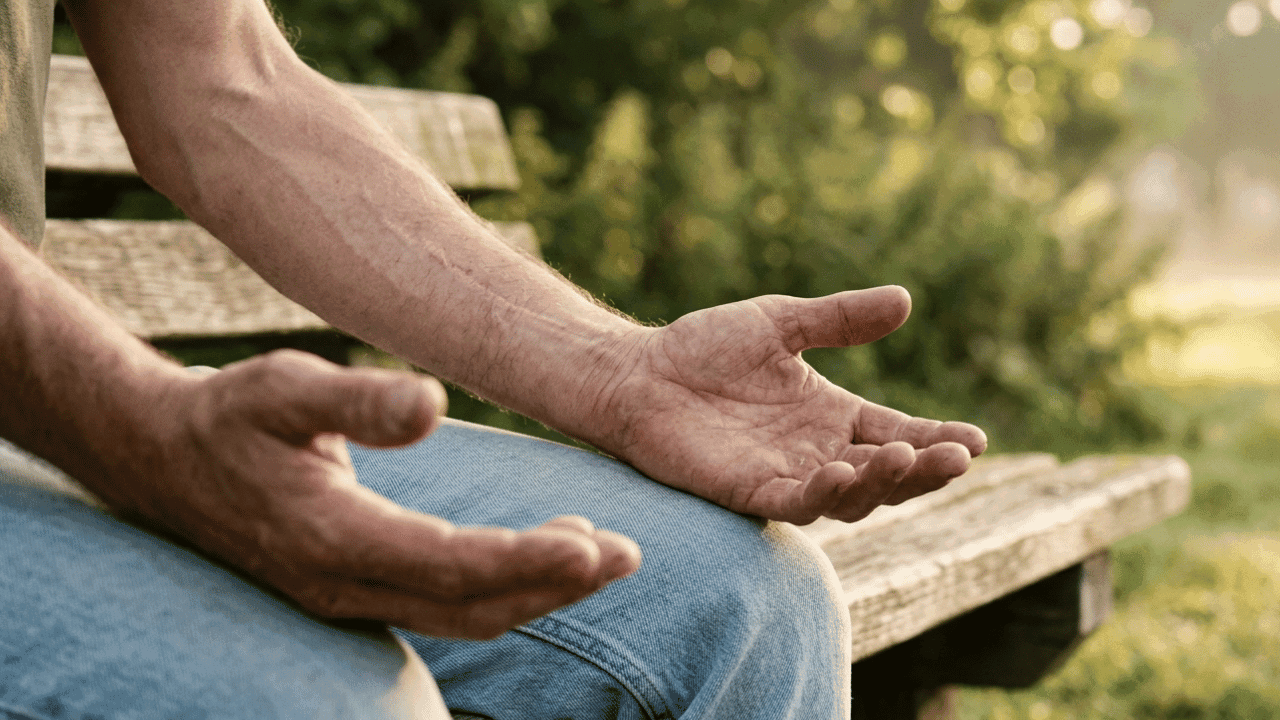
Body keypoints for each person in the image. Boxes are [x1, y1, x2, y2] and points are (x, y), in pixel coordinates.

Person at [0, 0, 987, 717]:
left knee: (743, 607)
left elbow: (221, 74)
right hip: (67, 411)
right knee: (335, 707)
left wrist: (618, 372)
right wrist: (138, 433)